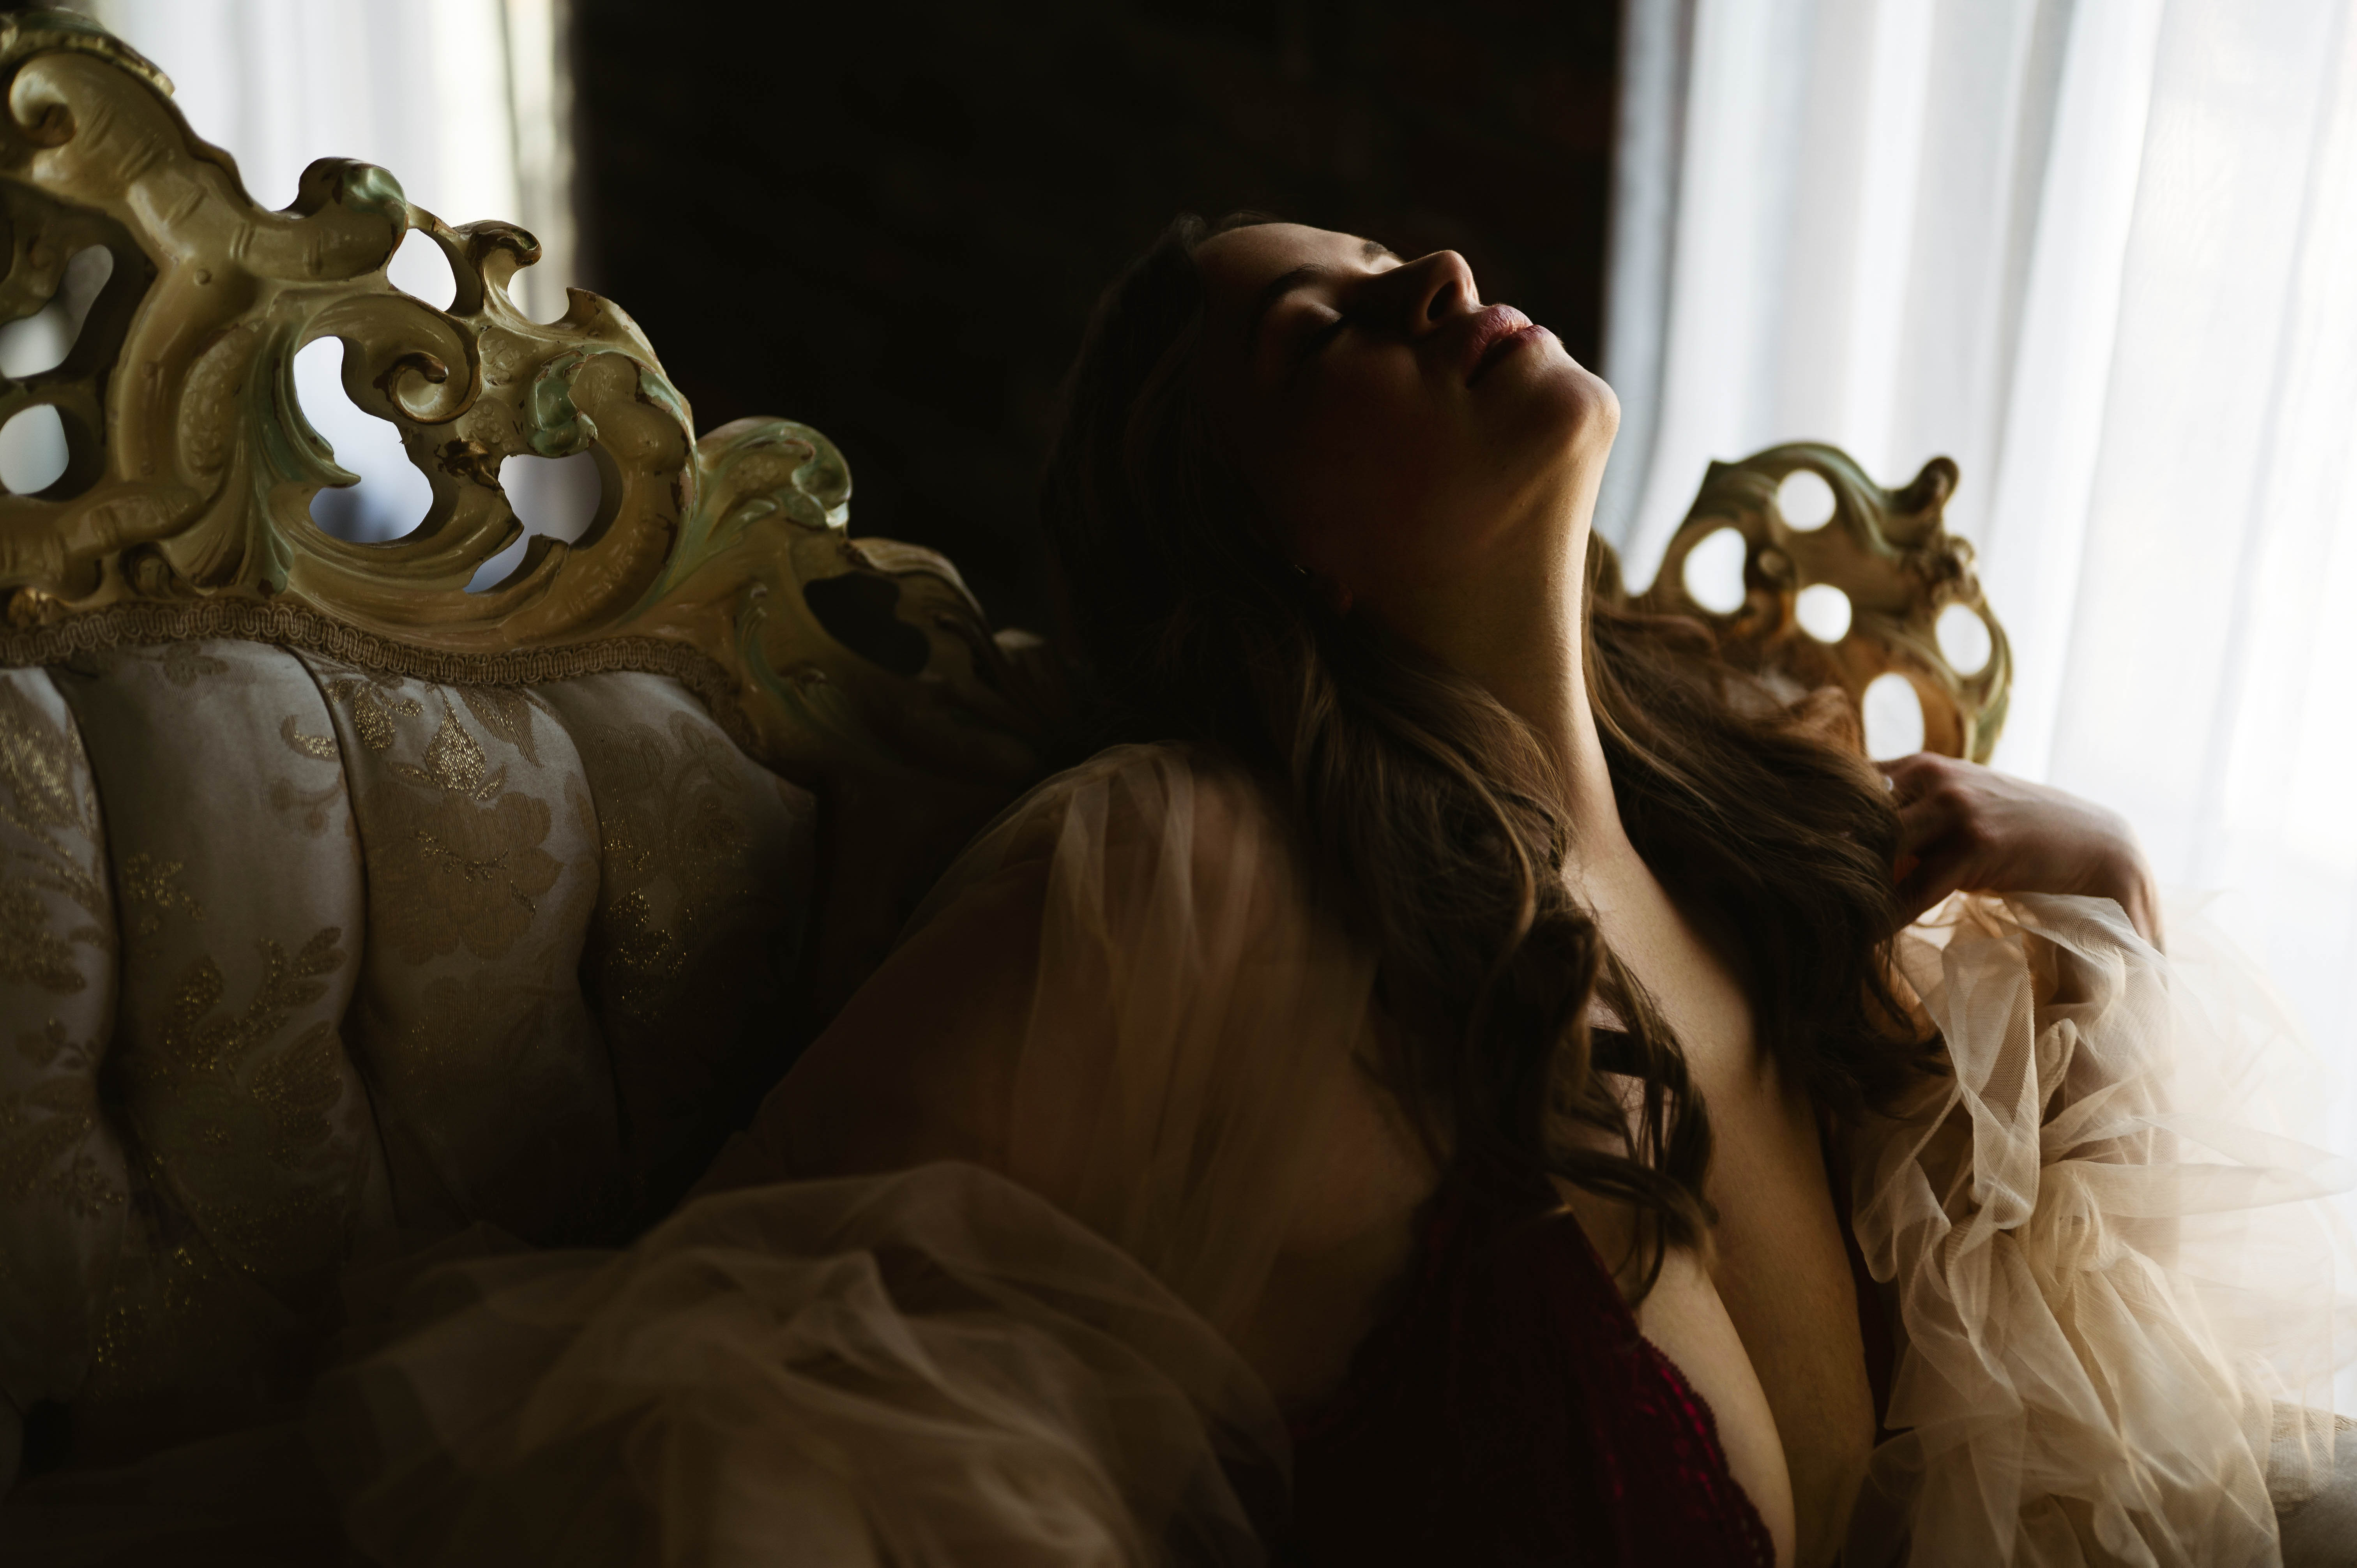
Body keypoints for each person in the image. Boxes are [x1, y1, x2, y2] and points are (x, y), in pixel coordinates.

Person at [12, 217, 2347, 1568]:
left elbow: (2080, 1460)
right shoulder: (1200, 881)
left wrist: (2114, 895)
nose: (1433, 269)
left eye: (1380, 256)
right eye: (1314, 332)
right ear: (1270, 552)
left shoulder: (1788, 859)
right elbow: (736, 1382)